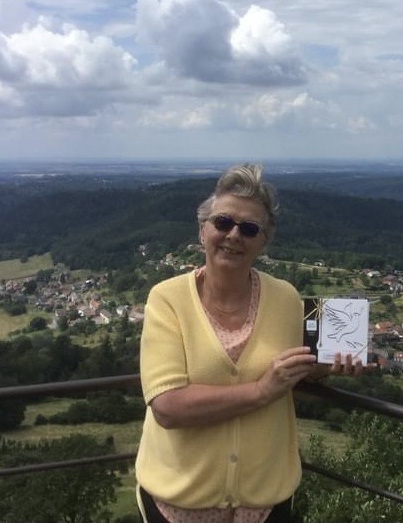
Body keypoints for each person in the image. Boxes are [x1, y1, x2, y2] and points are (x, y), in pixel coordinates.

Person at [135, 163, 361, 523]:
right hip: (179, 505)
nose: (234, 235)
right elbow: (167, 407)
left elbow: (296, 367)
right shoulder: (167, 299)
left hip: (265, 505)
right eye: (223, 222)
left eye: (249, 228)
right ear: (202, 230)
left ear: (263, 241)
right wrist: (261, 390)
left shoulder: (287, 298)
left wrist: (322, 370)